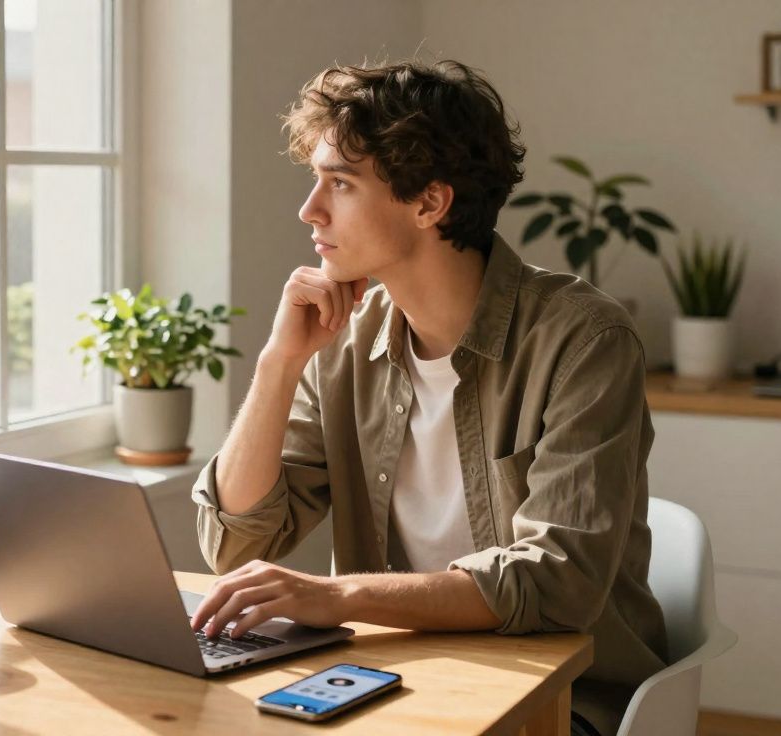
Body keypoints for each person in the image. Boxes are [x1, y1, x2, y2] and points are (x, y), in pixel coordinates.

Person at [188, 60, 667, 736]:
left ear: (429, 203)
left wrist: (334, 596)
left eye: (341, 183)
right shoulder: (346, 343)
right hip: (392, 684)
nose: (309, 210)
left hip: (560, 700)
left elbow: (558, 582)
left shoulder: (584, 340)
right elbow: (235, 539)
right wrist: (279, 364)